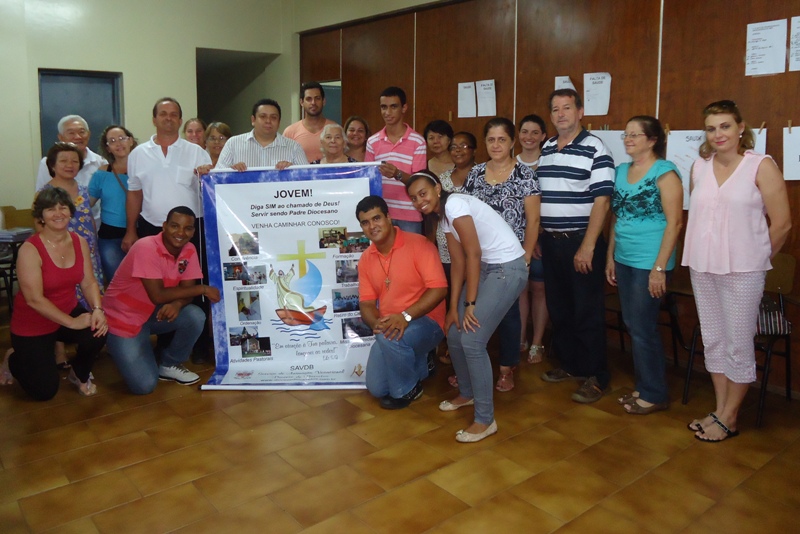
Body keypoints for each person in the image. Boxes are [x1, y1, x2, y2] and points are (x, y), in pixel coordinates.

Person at [683, 100, 791, 441]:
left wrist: (756, 258)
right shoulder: (699, 166)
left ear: (741, 128)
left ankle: (731, 416)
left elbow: (783, 224)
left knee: (738, 344)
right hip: (702, 267)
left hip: (743, 272)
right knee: (714, 340)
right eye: (712, 128)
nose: (718, 134)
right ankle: (719, 408)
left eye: (725, 126)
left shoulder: (761, 165)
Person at [407, 172, 527, 443]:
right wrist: (454, 308)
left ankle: (485, 420)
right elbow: (459, 262)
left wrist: (470, 303)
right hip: (486, 268)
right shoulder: (444, 216)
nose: (419, 201)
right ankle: (467, 391)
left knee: (472, 340)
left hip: (507, 269)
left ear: (437, 188)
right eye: (414, 198)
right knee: (454, 330)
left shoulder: (455, 204)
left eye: (423, 193)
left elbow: (474, 253)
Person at [537, 88, 614, 404]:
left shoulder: (596, 148)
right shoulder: (548, 147)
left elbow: (603, 200)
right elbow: (544, 194)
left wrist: (588, 246)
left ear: (580, 112)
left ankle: (597, 376)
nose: (561, 114)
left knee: (587, 311)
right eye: (555, 109)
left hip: (581, 242)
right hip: (551, 243)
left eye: (567, 108)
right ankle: (572, 365)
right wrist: (542, 233)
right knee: (560, 308)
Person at [123, 97, 214, 363]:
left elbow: (210, 189)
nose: (168, 118)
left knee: (193, 284)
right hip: (153, 228)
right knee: (160, 288)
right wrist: (131, 230)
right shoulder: (138, 154)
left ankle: (198, 344)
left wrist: (207, 175)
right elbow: (134, 194)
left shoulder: (196, 151)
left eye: (174, 114)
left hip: (191, 228)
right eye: (163, 114)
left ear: (180, 119)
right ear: (154, 119)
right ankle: (164, 344)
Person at [605, 116, 683, 415]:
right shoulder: (621, 171)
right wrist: (611, 255)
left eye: (636, 135)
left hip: (651, 260)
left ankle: (654, 393)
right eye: (626, 134)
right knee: (633, 324)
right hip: (624, 257)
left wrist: (659, 268)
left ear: (653, 140)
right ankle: (645, 386)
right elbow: (617, 217)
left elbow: (675, 223)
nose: (628, 139)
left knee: (642, 327)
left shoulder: (665, 172)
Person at [2, 187, 106, 399]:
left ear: (70, 212)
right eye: (50, 209)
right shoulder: (30, 250)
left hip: (66, 311)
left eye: (63, 208)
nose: (58, 213)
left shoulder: (79, 241)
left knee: (98, 330)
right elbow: (34, 299)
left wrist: (97, 309)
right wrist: (71, 322)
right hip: (33, 323)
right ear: (41, 216)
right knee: (44, 392)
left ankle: (80, 374)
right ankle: (13, 358)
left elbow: (88, 282)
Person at [104, 206, 221, 394]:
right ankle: (117, 342)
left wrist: (177, 304)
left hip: (154, 313)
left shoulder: (189, 249)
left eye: (188, 228)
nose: (181, 233)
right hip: (124, 318)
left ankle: (169, 364)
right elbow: (157, 295)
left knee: (195, 315)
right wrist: (203, 288)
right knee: (144, 386)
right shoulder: (146, 247)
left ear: (193, 231)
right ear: (164, 226)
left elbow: (186, 291)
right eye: (175, 226)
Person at [462, 118, 540, 392]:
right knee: (473, 311)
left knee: (507, 313)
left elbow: (532, 221)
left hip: (510, 259)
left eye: (502, 140)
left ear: (512, 143)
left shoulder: (525, 175)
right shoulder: (475, 174)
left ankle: (507, 368)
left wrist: (527, 256)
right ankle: (471, 370)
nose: (496, 145)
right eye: (491, 140)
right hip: (479, 257)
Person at [356, 195, 447, 409]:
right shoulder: (366, 258)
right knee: (377, 388)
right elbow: (367, 304)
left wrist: (405, 317)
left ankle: (408, 390)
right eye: (365, 222)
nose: (372, 226)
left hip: (427, 321)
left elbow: (439, 289)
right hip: (392, 325)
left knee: (391, 340)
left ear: (388, 217)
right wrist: (376, 324)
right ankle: (423, 362)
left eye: (376, 218)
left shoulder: (419, 244)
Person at [41, 142, 105, 290]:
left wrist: (94, 246)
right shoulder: (45, 194)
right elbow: (40, 227)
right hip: (62, 252)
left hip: (88, 250)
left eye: (75, 161)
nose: (70, 165)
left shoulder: (83, 190)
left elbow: (88, 219)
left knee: (91, 288)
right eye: (63, 161)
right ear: (52, 165)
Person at [365, 87, 427, 234]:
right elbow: (367, 178)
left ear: (404, 108)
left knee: (410, 256)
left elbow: (420, 183)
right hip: (380, 214)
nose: (387, 112)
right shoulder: (373, 141)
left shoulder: (417, 141)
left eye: (393, 107)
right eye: (383, 107)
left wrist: (397, 174)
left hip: (409, 214)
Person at [516, 114, 550, 364]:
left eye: (535, 132)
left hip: (542, 238)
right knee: (519, 291)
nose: (529, 137)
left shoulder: (549, 163)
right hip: (513, 241)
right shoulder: (509, 164)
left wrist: (535, 237)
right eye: (524, 132)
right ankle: (520, 337)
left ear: (543, 136)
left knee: (539, 289)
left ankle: (537, 342)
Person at [89, 125, 138, 282]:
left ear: (131, 141)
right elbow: (86, 203)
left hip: (141, 234)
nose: (118, 143)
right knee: (116, 283)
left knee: (141, 285)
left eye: (122, 138)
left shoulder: (144, 169)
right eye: (112, 141)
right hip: (110, 237)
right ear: (108, 148)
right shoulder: (102, 173)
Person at [216, 98, 308, 171]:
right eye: (263, 116)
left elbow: (308, 178)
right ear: (253, 120)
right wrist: (231, 172)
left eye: (273, 117)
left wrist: (294, 171)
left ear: (279, 122)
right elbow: (216, 178)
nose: (268, 121)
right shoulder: (233, 144)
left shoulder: (294, 148)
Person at [35, 115, 107, 192]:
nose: (77, 137)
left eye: (82, 132)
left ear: (89, 134)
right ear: (61, 137)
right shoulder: (48, 162)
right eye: (71, 133)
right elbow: (41, 197)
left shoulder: (101, 163)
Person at [283, 82, 336, 162]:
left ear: (324, 101)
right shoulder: (290, 132)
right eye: (308, 99)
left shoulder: (335, 128)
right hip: (300, 175)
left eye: (317, 98)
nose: (313, 103)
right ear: (301, 102)